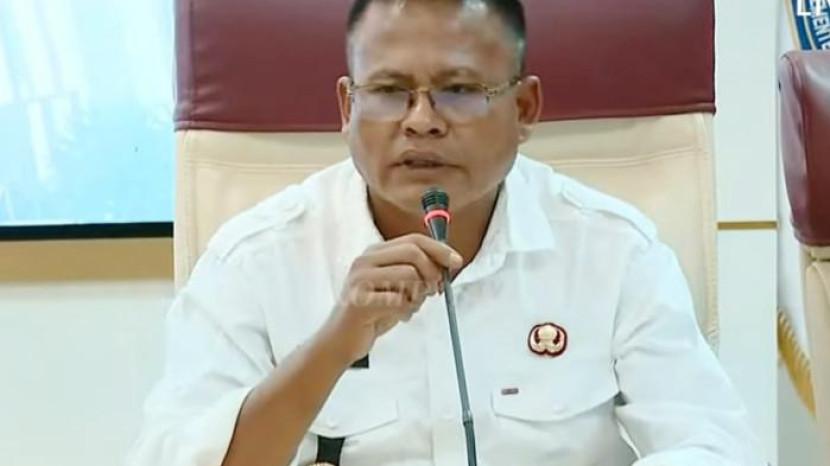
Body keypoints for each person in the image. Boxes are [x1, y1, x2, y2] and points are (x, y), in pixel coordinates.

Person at [127, 0, 766, 465]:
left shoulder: (614, 250)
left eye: (459, 90)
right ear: (347, 108)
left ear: (525, 109)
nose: (421, 121)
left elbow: (714, 447)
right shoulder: (254, 259)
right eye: (389, 91)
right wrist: (333, 345)